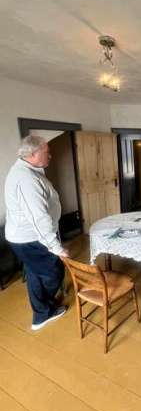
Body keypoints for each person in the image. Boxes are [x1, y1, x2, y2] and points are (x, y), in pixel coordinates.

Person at [5, 135, 69, 331]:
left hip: (24, 237)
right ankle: (44, 309)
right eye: (46, 152)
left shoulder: (26, 171)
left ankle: (40, 314)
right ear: (32, 154)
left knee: (34, 274)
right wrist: (57, 248)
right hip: (31, 238)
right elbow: (38, 218)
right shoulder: (26, 179)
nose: (50, 155)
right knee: (54, 272)